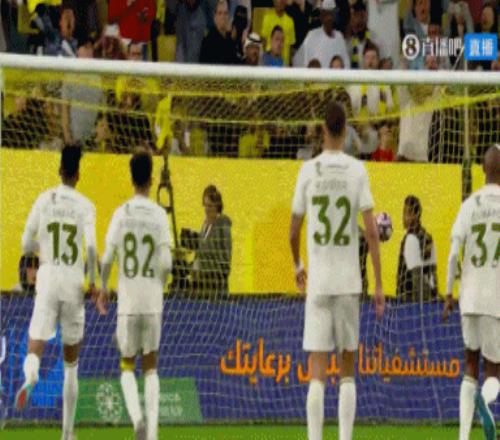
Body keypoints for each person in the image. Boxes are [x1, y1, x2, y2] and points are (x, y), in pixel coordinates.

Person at [289, 101, 384, 440]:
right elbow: (371, 232)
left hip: (318, 283)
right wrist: (378, 284)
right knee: (347, 370)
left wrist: (298, 266)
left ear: (322, 130)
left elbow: (293, 232)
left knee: (316, 372)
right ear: (345, 130)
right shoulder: (357, 170)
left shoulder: (308, 171)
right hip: (348, 283)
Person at [15, 145, 97, 440]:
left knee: (35, 344)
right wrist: (94, 283)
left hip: (48, 277)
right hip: (74, 281)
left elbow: (26, 244)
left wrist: (44, 248)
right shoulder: (86, 206)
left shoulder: (44, 199)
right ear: (78, 174)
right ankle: (67, 433)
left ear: (60, 170)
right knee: (71, 364)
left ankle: (31, 374)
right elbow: (91, 248)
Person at [97, 150, 172, 440]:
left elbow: (107, 259)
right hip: (152, 302)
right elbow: (167, 263)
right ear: (152, 179)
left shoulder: (121, 213)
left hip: (128, 303)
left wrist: (104, 287)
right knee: (151, 367)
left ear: (131, 178)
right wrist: (159, 283)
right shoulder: (159, 215)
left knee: (127, 365)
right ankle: (151, 435)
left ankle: (137, 420)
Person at [443, 145, 500, 440]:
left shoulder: (470, 204)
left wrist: (448, 293)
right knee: (494, 371)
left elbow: (454, 251)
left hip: (469, 296)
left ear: (483, 169)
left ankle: (463, 436)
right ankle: (486, 402)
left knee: (469, 365)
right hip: (495, 297)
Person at [191, 185, 232, 298]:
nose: (206, 209)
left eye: (209, 206)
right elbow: (201, 251)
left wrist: (218, 275)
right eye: (205, 205)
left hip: (216, 287)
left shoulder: (223, 224)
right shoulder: (205, 224)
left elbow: (226, 255)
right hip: (202, 285)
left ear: (217, 206)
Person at [396, 195, 438, 303]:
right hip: (429, 300)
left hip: (411, 303)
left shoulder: (410, 240)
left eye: (406, 213)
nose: (403, 217)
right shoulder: (428, 237)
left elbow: (417, 278)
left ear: (416, 215)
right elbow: (433, 276)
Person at [294, 0, 350, 69]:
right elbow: (299, 61)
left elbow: (346, 64)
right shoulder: (312, 36)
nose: (329, 18)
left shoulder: (339, 37)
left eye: (331, 14)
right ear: (321, 16)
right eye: (326, 14)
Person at [200, 0, 239, 65]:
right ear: (215, 17)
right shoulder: (208, 41)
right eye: (220, 13)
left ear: (229, 16)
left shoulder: (231, 39)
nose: (223, 17)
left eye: (226, 13)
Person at [261, 0, 296, 66]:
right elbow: (263, 42)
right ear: (274, 2)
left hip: (284, 65)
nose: (281, 1)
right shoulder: (267, 18)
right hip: (268, 64)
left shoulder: (290, 21)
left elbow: (291, 46)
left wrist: (290, 64)